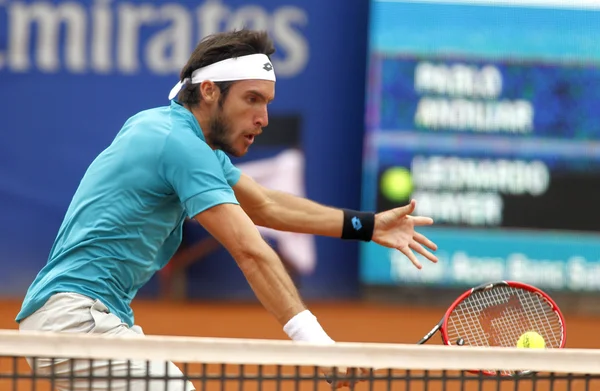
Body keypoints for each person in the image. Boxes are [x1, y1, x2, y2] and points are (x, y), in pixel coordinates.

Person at [15, 29, 439, 390]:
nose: (263, 118)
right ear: (209, 92)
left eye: (267, 102)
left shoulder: (172, 132)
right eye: (252, 99)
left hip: (79, 321)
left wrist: (366, 226)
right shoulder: (176, 143)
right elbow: (251, 252)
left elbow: (267, 205)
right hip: (76, 323)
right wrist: (319, 346)